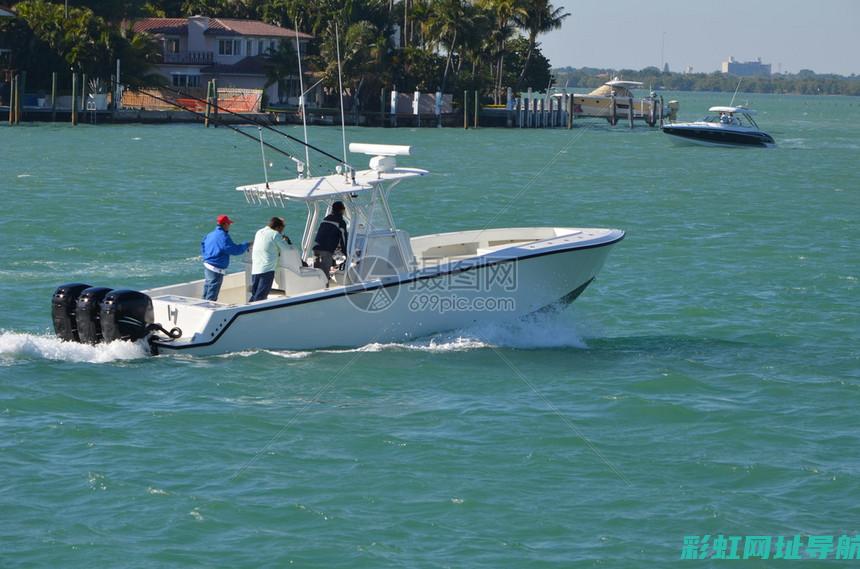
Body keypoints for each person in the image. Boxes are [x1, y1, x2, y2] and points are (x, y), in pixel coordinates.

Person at [200, 214, 250, 301]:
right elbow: (234, 250)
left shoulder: (210, 234)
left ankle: (201, 306)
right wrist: (246, 245)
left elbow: (203, 244)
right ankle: (209, 309)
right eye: (229, 224)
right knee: (212, 295)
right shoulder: (223, 237)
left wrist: (206, 256)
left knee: (207, 289)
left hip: (207, 265)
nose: (229, 226)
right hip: (216, 269)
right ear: (225, 224)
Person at [249, 216, 292, 302]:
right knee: (261, 297)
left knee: (255, 294)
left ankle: (247, 309)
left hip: (255, 269)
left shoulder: (259, 232)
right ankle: (255, 313)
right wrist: (284, 240)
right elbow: (286, 249)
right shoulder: (275, 234)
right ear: (278, 227)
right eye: (282, 228)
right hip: (267, 270)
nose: (282, 231)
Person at [312, 201, 348, 285]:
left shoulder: (326, 219)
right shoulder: (341, 222)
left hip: (316, 249)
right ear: (342, 210)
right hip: (326, 250)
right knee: (325, 275)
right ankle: (324, 291)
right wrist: (346, 252)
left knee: (317, 274)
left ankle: (315, 288)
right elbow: (343, 239)